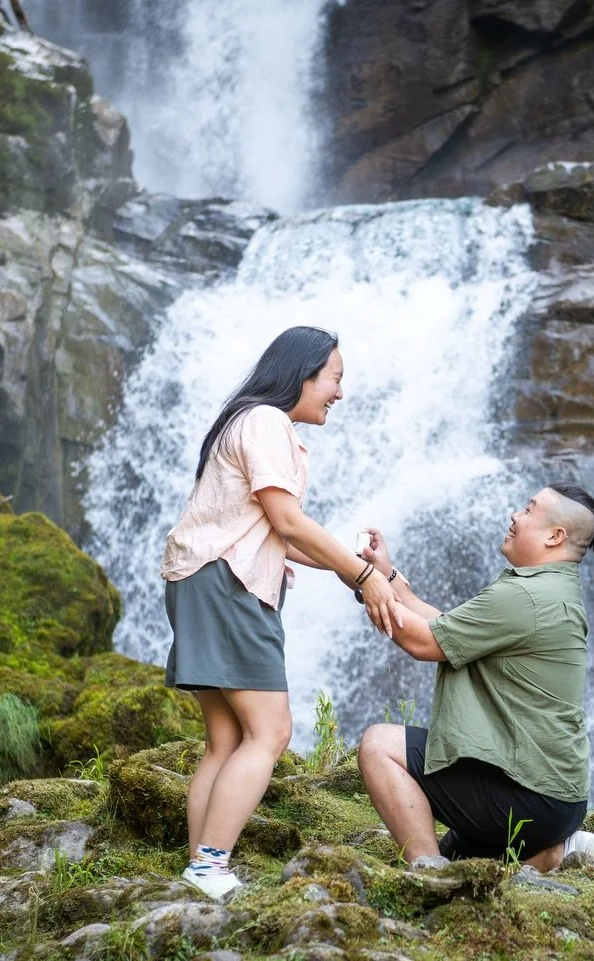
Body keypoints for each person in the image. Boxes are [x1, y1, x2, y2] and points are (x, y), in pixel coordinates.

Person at [161, 326, 400, 900]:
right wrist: (362, 576)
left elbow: (277, 533)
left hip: (201, 580)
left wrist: (348, 565)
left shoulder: (246, 420)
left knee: (225, 740)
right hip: (227, 587)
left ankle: (200, 867)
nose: (340, 393)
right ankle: (209, 865)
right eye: (335, 378)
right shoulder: (267, 421)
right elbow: (288, 521)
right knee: (271, 732)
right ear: (303, 373)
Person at [356, 483, 594, 871]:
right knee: (464, 862)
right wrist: (388, 577)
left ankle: (429, 876)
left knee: (379, 745)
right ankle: (553, 851)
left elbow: (424, 642)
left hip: (528, 796)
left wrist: (365, 581)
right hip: (556, 798)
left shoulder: (527, 597)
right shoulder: (551, 588)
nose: (515, 515)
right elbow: (446, 628)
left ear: (555, 536)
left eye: (529, 510)